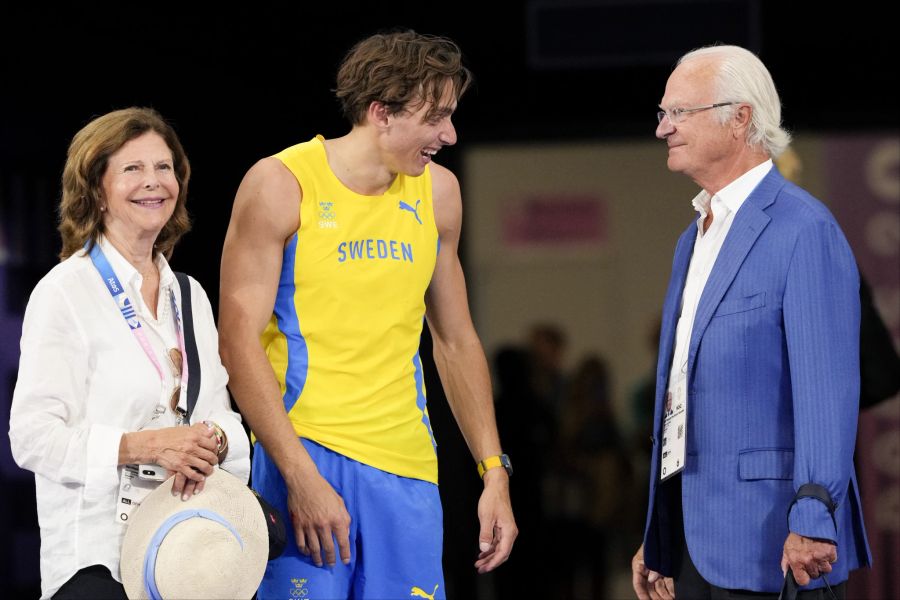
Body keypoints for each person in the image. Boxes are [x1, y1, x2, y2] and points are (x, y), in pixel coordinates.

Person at [218, 30, 517, 599]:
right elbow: (236, 342)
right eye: (436, 118)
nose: (449, 136)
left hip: (406, 470)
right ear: (381, 112)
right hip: (305, 454)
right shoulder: (282, 184)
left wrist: (493, 471)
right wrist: (299, 476)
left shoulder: (439, 194)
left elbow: (454, 341)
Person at [631, 46, 871, 600]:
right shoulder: (691, 240)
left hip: (777, 545)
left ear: (740, 117)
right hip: (693, 546)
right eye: (662, 113)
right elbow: (680, 398)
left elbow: (827, 391)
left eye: (679, 113)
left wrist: (814, 513)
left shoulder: (804, 229)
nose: (664, 128)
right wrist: (660, 530)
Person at [9, 107, 250, 599]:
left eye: (164, 168)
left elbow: (222, 418)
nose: (154, 182)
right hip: (97, 558)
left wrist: (212, 442)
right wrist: (145, 446)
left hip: (185, 552)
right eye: (132, 169)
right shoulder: (65, 291)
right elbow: (32, 438)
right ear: (96, 189)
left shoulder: (190, 296)